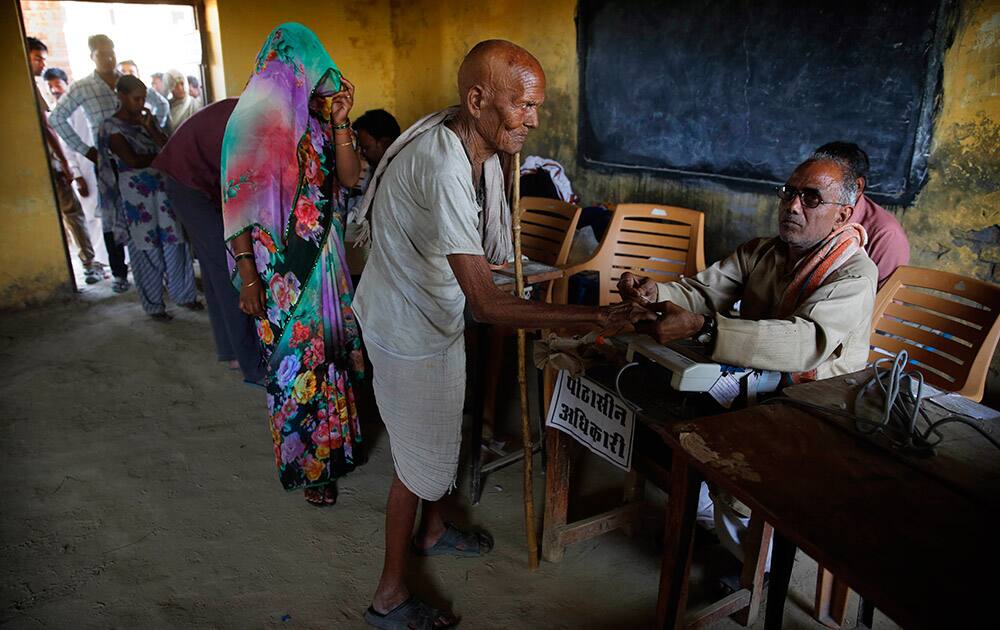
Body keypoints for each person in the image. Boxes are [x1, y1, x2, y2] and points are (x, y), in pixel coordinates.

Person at [353, 40, 648, 628]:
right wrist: (597, 319)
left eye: (538, 107)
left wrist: (542, 283)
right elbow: (487, 305)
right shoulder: (441, 164)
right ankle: (388, 595)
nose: (535, 120)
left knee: (437, 434)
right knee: (416, 465)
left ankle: (433, 532)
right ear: (478, 99)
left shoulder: (479, 151)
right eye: (524, 106)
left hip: (433, 314)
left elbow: (489, 265)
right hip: (405, 324)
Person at [618, 154, 878, 568]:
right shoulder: (763, 252)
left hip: (816, 400)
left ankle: (757, 563)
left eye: (811, 198)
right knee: (657, 406)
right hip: (759, 379)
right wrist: (655, 294)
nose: (793, 206)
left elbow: (803, 344)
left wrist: (705, 329)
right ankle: (715, 522)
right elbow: (703, 292)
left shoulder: (854, 274)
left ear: (842, 214)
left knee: (732, 449)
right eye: (789, 193)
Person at [221, 23, 366, 508]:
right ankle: (310, 468)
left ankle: (336, 450)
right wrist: (246, 276)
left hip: (323, 260)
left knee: (330, 357)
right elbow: (236, 204)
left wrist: (342, 119)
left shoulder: (320, 120)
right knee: (292, 367)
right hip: (274, 270)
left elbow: (349, 178)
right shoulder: (249, 124)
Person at [152, 98, 265, 384]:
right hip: (188, 181)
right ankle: (252, 364)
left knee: (217, 267)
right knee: (229, 268)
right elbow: (239, 198)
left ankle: (231, 351)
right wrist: (248, 270)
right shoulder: (255, 126)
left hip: (199, 175)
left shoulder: (263, 113)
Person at [98, 75, 200, 319]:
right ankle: (154, 305)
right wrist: (162, 159)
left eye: (144, 98)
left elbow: (169, 146)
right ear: (121, 96)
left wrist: (150, 128)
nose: (141, 103)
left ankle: (184, 295)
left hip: (162, 193)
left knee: (176, 242)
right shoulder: (111, 127)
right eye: (136, 98)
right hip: (136, 199)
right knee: (147, 249)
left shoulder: (147, 121)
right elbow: (131, 160)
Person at [49, 34, 130, 293]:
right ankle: (119, 273)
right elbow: (58, 118)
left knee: (141, 214)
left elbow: (157, 105)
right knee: (111, 217)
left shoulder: (126, 82)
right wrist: (87, 151)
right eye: (102, 54)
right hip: (107, 162)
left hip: (136, 159)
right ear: (91, 56)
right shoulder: (84, 87)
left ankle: (146, 267)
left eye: (111, 52)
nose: (108, 58)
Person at [26, 37, 103, 284]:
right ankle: (92, 263)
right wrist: (71, 167)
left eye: (43, 59)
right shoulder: (44, 95)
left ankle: (95, 261)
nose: (41, 64)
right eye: (37, 58)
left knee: (83, 216)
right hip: (69, 164)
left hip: (82, 163)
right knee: (78, 215)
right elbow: (52, 128)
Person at [812, 142, 910, 286]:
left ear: (857, 186)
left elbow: (886, 305)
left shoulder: (887, 235)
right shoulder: (808, 209)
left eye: (830, 180)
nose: (817, 186)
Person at [44, 67, 109, 269]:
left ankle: (117, 261)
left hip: (100, 163)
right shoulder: (59, 111)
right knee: (91, 217)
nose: (55, 89)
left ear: (67, 83)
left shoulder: (82, 106)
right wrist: (76, 174)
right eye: (50, 86)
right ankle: (99, 261)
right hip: (83, 168)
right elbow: (67, 146)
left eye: (58, 84)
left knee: (109, 215)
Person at [118, 60, 170, 129]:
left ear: (138, 75)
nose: (127, 75)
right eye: (123, 72)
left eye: (131, 72)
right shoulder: (112, 97)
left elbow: (163, 104)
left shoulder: (155, 99)